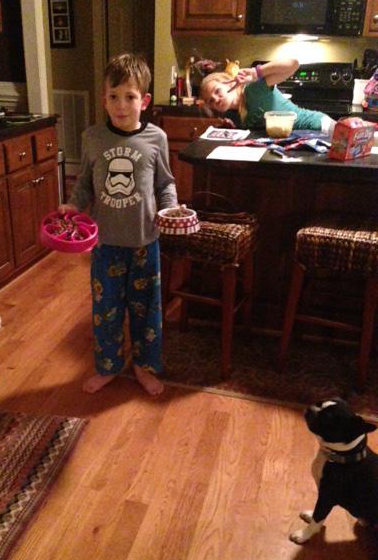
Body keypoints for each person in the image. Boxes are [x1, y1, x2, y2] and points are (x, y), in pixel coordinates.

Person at [59, 53, 178, 395]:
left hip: (145, 243)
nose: (121, 105)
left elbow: (165, 183)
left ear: (145, 101)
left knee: (147, 312)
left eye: (130, 96)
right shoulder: (93, 137)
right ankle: (109, 365)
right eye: (113, 96)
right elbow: (84, 183)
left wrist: (170, 209)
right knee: (106, 311)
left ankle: (144, 366)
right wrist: (73, 205)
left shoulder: (156, 138)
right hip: (105, 244)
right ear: (104, 98)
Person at [200, 57, 335, 134]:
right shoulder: (233, 116)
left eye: (217, 91)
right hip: (297, 139)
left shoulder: (253, 88)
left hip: (317, 127)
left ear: (229, 83)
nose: (215, 99)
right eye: (211, 101)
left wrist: (257, 72)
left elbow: (293, 64)